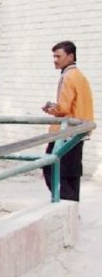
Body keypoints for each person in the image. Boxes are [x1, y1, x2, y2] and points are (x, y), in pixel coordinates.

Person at [40, 40, 94, 201]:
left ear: (70, 56)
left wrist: (51, 109)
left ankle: (66, 205)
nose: (55, 60)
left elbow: (63, 108)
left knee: (51, 168)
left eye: (58, 56)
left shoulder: (68, 77)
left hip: (66, 133)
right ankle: (72, 208)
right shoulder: (79, 75)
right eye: (54, 56)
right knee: (71, 173)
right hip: (79, 131)